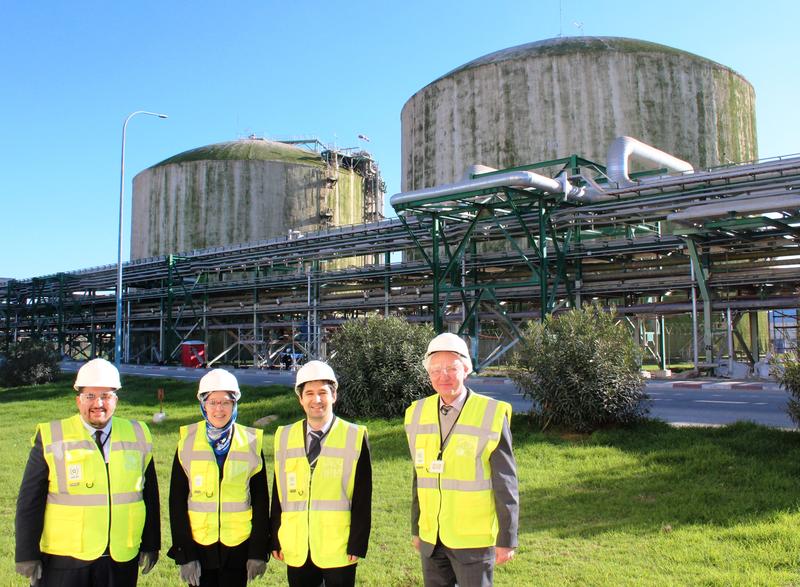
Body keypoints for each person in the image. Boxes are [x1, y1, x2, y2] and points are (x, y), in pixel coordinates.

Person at [15, 358, 160, 587]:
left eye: (105, 396)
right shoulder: (52, 435)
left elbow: (149, 494)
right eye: (90, 396)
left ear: (116, 400)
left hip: (121, 557)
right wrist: (26, 553)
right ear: (77, 400)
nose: (98, 403)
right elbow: (30, 501)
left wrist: (151, 543)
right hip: (65, 561)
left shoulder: (138, 433)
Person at [405, 333, 519, 587]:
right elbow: (419, 477)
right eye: (436, 370)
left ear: (466, 369)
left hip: (473, 540)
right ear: (428, 374)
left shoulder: (490, 413)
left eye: (451, 368)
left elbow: (505, 481)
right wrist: (417, 528)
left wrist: (507, 537)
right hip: (432, 539)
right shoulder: (416, 413)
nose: (443, 375)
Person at [270, 360, 372, 587]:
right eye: (309, 393)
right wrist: (275, 537)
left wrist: (357, 542)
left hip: (338, 545)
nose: (316, 400)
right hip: (297, 544)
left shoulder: (354, 436)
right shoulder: (284, 436)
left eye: (323, 392)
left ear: (334, 396)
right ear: (300, 399)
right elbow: (279, 492)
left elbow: (363, 497)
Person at [168, 368, 269, 586]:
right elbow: (176, 503)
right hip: (199, 548)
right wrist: (185, 554)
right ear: (203, 405)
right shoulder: (186, 442)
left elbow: (261, 503)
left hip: (238, 549)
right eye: (212, 402)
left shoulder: (251, 442)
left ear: (235, 405)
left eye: (225, 402)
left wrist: (258, 552)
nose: (219, 409)